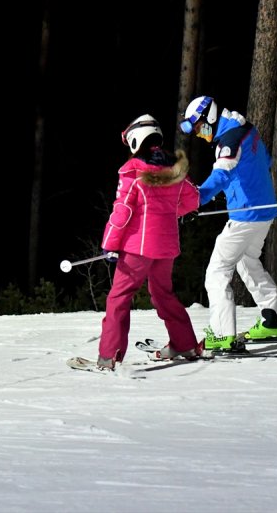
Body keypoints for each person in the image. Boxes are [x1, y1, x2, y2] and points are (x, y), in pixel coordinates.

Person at [179, 95, 277, 352]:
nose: (199, 134)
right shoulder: (246, 129)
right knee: (248, 264)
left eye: (199, 127)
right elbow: (265, 161)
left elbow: (221, 174)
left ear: (209, 117)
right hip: (263, 212)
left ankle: (222, 335)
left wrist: (195, 199)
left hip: (246, 217)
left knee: (217, 272)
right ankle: (275, 321)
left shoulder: (230, 140)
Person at [96, 114, 203, 370]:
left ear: (135, 139)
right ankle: (185, 344)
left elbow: (122, 211)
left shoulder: (133, 170)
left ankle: (109, 356)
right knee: (163, 294)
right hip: (166, 247)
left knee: (119, 298)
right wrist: (167, 212)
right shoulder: (175, 168)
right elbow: (193, 200)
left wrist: (109, 243)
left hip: (138, 248)